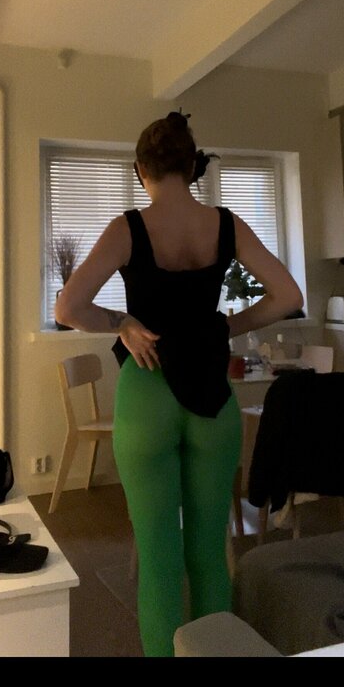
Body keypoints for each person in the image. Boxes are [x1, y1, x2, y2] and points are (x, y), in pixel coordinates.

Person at [55, 112, 303, 657]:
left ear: (140, 169)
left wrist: (122, 322)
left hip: (147, 392)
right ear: (192, 167)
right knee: (210, 552)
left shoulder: (129, 228)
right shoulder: (226, 225)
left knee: (158, 555)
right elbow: (289, 296)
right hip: (212, 397)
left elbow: (68, 308)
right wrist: (228, 326)